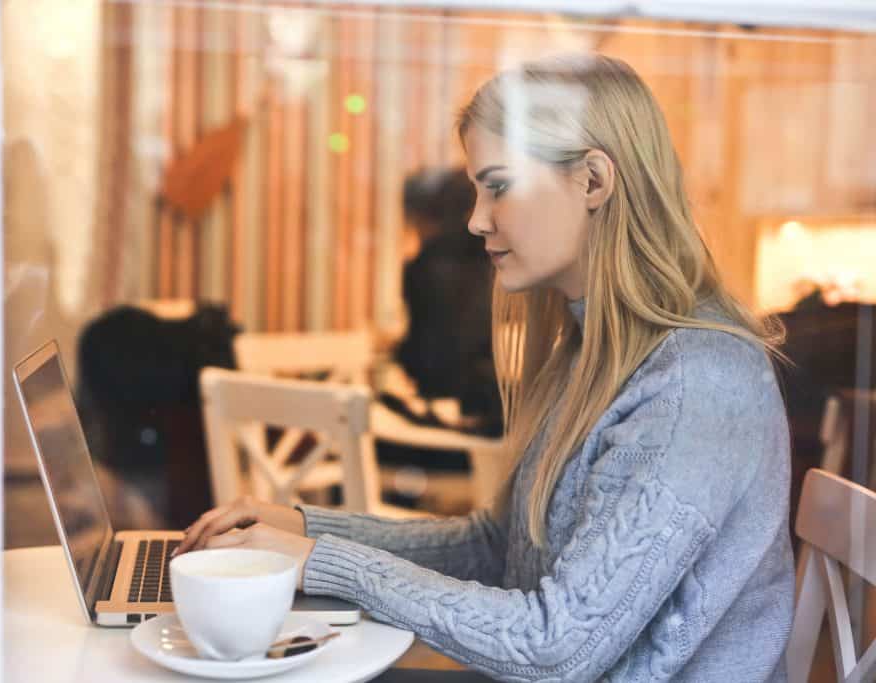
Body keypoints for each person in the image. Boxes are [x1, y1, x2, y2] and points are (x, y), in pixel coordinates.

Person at [173, 53, 795, 682]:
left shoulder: (695, 383)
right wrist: (306, 530)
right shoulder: (589, 352)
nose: (475, 219)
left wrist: (321, 563)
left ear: (593, 182)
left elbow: (555, 648)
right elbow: (498, 549)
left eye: (497, 185)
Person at [392, 167, 501, 436]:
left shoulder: (420, 267)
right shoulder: (492, 265)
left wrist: (396, 350)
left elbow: (423, 358)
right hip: (482, 417)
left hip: (440, 428)